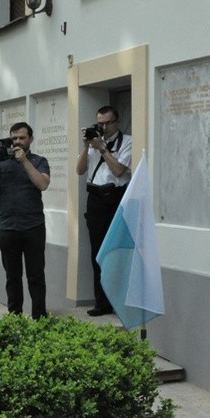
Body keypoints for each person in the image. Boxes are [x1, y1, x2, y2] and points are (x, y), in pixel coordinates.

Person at [0, 122, 50, 319]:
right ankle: (14, 317)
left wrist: (24, 162)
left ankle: (39, 318)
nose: (17, 142)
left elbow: (43, 184)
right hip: (8, 227)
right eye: (14, 138)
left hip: (34, 226)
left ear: (31, 139)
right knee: (12, 277)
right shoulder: (3, 163)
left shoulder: (39, 160)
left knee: (36, 276)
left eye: (22, 138)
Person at [75, 105, 132, 317]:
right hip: (95, 200)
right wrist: (86, 146)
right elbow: (80, 170)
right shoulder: (92, 142)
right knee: (97, 253)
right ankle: (101, 302)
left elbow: (118, 170)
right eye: (100, 123)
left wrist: (102, 148)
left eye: (108, 123)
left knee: (115, 252)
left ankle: (118, 302)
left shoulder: (127, 142)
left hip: (115, 198)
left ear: (116, 122)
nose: (104, 127)